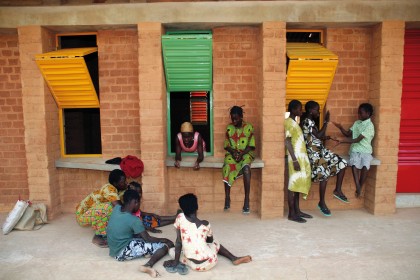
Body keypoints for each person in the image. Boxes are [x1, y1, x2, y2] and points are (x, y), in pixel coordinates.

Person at [163, 193, 252, 273]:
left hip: (194, 266)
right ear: (197, 206)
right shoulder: (206, 224)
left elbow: (179, 242)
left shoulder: (180, 217)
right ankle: (234, 258)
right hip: (210, 262)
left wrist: (175, 261)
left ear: (182, 208)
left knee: (172, 251)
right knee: (215, 242)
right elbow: (210, 240)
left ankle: (185, 260)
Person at [107, 189, 174, 278]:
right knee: (164, 245)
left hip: (113, 248)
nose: (139, 206)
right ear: (135, 202)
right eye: (139, 203)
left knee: (140, 237)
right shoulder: (134, 220)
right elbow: (148, 239)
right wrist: (164, 240)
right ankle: (148, 265)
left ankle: (146, 252)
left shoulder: (117, 208)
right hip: (121, 252)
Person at [301, 101, 348, 217]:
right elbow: (318, 135)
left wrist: (328, 137)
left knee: (343, 163)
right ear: (311, 111)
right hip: (314, 154)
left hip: (320, 151)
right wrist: (326, 121)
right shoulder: (307, 121)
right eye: (317, 110)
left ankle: (337, 190)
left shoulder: (310, 121)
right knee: (324, 174)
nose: (318, 112)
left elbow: (316, 136)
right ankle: (321, 202)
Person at [75, 169, 127, 247]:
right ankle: (98, 236)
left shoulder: (119, 190)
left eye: (126, 180)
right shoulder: (108, 188)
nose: (126, 183)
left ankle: (106, 232)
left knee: (112, 209)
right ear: (115, 183)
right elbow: (119, 206)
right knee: (110, 207)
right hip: (82, 215)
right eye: (123, 182)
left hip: (93, 212)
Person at [333, 103, 375, 198]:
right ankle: (358, 187)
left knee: (365, 166)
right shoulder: (357, 123)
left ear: (368, 114)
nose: (358, 115)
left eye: (361, 113)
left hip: (366, 150)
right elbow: (348, 134)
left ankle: (359, 186)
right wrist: (340, 127)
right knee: (354, 165)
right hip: (355, 149)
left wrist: (342, 141)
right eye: (358, 113)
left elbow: (357, 140)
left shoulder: (370, 126)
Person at [222, 106, 256, 214]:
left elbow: (251, 145)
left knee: (246, 168)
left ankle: (246, 200)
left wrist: (242, 153)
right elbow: (226, 145)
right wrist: (233, 152)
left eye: (236, 118)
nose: (234, 121)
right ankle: (227, 197)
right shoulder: (229, 128)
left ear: (241, 117)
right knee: (227, 165)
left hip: (246, 153)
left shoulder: (249, 127)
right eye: (232, 119)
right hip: (233, 153)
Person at [285, 100, 313, 223]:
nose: (301, 111)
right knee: (292, 185)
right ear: (293, 110)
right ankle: (291, 214)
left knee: (297, 185)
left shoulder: (294, 122)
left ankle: (297, 210)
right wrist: (295, 160)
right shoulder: (288, 123)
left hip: (299, 157)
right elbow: (287, 141)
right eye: (299, 109)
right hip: (294, 158)